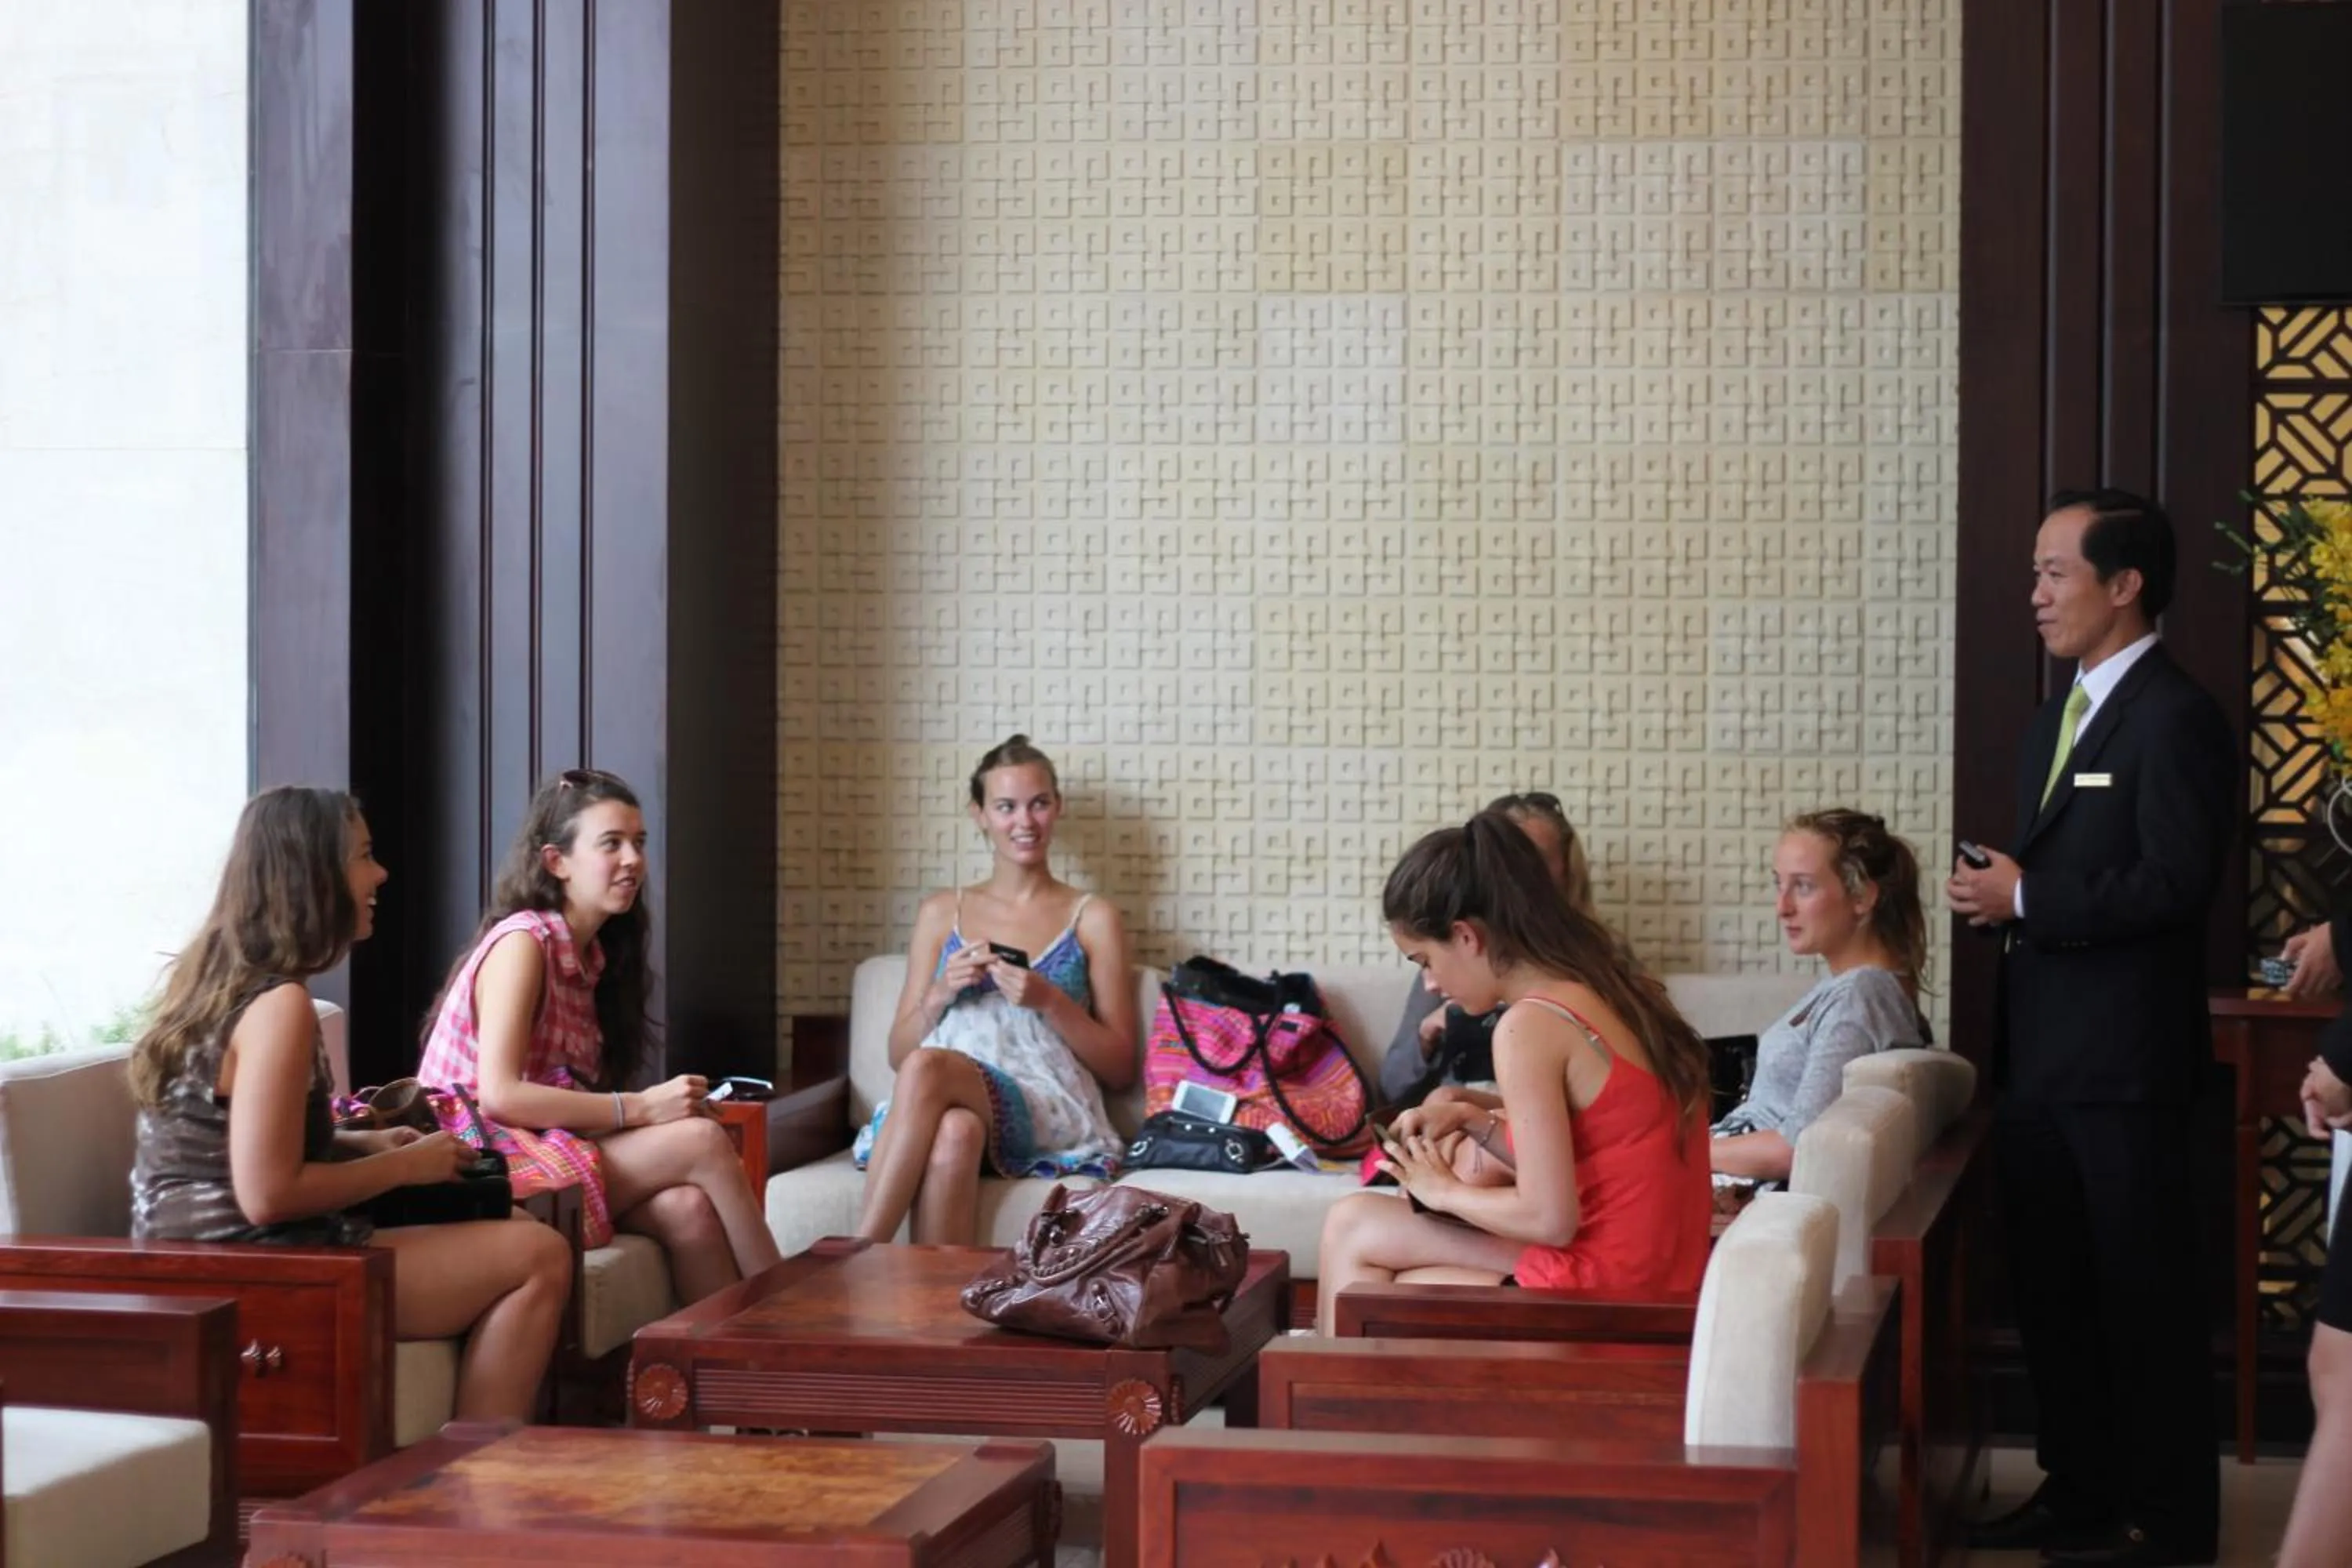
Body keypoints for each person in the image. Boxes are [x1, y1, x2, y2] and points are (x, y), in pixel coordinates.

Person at [1945, 488, 2233, 1567]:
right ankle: (2079, 1495)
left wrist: (2027, 900)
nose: (2036, 595)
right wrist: (1998, 905)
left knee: (2143, 1304)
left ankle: (2170, 1526)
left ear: (2126, 585)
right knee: (2058, 1297)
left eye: (2056, 573)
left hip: (2124, 1071)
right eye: (2033, 573)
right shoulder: (2053, 719)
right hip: (2039, 1065)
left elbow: (2177, 881)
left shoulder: (2177, 716)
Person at [130, 787, 569, 1422]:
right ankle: (473, 1485)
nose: (380, 873)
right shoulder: (277, 1008)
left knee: (521, 1232)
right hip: (240, 1276)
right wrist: (404, 1168)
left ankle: (471, 1465)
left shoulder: (224, 980)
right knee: (540, 1257)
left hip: (212, 1260)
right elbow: (267, 1194)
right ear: (315, 875)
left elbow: (245, 1150)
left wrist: (367, 1145)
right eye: (364, 855)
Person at [1316, 811, 1715, 1336]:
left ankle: (1329, 1397)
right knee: (1356, 1228)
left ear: (1466, 936)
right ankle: (1336, 1388)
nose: (1431, 985)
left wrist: (1440, 1191)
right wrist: (1470, 1115)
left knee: (1358, 1250)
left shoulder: (1531, 1024)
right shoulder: (1621, 992)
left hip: (1608, 1297)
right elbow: (1603, 1154)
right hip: (1660, 1276)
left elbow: (1551, 1219)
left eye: (1424, 961)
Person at [418, 769, 781, 1305]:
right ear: (555, 862)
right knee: (702, 1142)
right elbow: (499, 1095)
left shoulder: (593, 958)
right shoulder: (524, 943)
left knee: (689, 1210)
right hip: (480, 1160)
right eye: (611, 844)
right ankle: (790, 1314)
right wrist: (640, 1109)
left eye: (639, 843)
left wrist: (647, 1112)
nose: (633, 860)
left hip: (539, 1147)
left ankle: (733, 1379)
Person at [855, 735, 1138, 1244]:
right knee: (953, 1135)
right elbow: (899, 1052)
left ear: (1058, 808)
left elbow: (1120, 1067)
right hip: (947, 1098)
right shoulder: (943, 912)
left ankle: (858, 1252)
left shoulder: (1093, 917)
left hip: (1041, 1102)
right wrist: (941, 991)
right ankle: (935, 1314)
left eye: (1039, 804)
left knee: (927, 1067)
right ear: (980, 814)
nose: (1024, 823)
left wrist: (1048, 1000)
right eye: (1006, 807)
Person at [1711, 809, 1930, 1187]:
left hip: (1739, 1198)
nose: (1782, 908)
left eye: (1804, 886)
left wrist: (1677, 1151)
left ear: (1861, 896)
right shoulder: (1858, 988)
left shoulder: (1862, 995)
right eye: (1779, 884)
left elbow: (1799, 1146)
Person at [1379, 791, 1595, 1113]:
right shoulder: (1447, 959)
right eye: (1500, 859)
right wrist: (1428, 1034)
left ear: (1566, 868)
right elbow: (1391, 1085)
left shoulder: (1597, 960)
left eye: (1531, 858)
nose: (1513, 875)